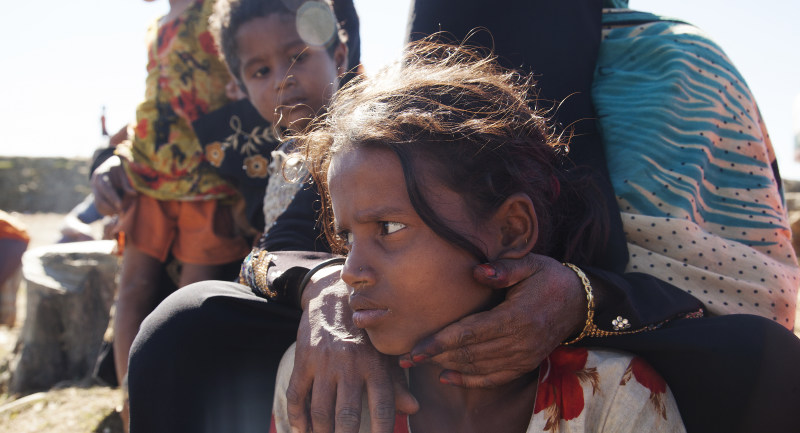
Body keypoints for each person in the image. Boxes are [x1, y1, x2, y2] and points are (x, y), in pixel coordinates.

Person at [129, 2, 800, 433]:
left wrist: (584, 296)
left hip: (636, 326)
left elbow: (738, 308)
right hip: (403, 328)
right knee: (184, 329)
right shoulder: (404, 119)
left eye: (389, 228)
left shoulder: (675, 69)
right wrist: (324, 289)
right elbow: (273, 255)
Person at [268, 39, 686, 433]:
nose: (351, 272)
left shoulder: (613, 397)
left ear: (511, 229)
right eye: (347, 239)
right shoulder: (322, 380)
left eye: (389, 228)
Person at [128, 0, 349, 431]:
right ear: (239, 86)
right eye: (260, 71)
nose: (283, 79)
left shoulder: (360, 140)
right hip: (286, 293)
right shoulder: (280, 155)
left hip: (335, 305)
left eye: (298, 57)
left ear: (338, 55)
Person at [92, 0, 253, 429]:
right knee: (132, 290)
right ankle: (135, 413)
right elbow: (153, 104)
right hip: (149, 172)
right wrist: (120, 156)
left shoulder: (220, 13)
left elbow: (238, 84)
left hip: (209, 178)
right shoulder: (157, 26)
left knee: (186, 305)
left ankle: (172, 410)